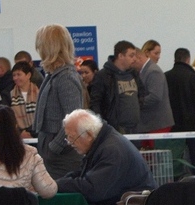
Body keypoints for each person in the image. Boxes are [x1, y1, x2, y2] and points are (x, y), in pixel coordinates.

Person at [57, 109, 154, 205]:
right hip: (119, 204)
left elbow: (93, 190)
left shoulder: (111, 149)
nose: (70, 143)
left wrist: (58, 185)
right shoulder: (103, 143)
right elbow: (83, 175)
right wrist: (57, 183)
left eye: (72, 138)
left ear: (89, 134)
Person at [33, 24, 84, 178]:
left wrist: (54, 147)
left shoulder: (65, 78)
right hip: (52, 149)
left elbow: (74, 119)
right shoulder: (53, 76)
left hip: (62, 156)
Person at [89, 40, 144, 134]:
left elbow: (141, 94)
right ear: (120, 56)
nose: (134, 59)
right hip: (114, 129)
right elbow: (95, 103)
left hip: (135, 128)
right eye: (131, 55)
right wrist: (102, 126)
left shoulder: (134, 74)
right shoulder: (103, 76)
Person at [165, 47, 195, 162]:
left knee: (174, 158)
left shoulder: (166, 76)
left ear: (175, 60)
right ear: (188, 60)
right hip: (192, 125)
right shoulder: (193, 78)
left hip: (172, 125)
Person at [131, 47, 174, 137]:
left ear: (139, 58)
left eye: (132, 61)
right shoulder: (146, 71)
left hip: (157, 124)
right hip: (152, 124)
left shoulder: (153, 71)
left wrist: (134, 103)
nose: (130, 65)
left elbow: (155, 97)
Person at [10, 61, 38, 137]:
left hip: (38, 135)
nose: (15, 78)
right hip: (18, 136)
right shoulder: (10, 94)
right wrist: (20, 132)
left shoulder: (39, 92)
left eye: (19, 74)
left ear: (28, 75)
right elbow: (9, 118)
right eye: (14, 75)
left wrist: (31, 133)